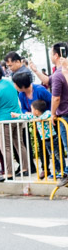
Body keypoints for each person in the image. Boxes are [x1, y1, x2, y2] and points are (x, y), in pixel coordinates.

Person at [0, 65, 29, 179]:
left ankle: (9, 172)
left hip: (4, 121)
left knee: (5, 147)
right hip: (17, 118)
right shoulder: (9, 82)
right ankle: (25, 167)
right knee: (19, 143)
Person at [11, 100, 63, 179]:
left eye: (32, 109)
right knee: (52, 156)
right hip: (46, 140)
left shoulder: (46, 113)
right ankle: (57, 171)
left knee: (57, 155)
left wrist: (40, 118)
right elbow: (26, 116)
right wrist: (16, 115)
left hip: (53, 138)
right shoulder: (35, 116)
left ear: (36, 111)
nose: (31, 111)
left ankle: (62, 171)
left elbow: (48, 114)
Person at [49, 42, 68, 174]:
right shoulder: (58, 74)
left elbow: (56, 98)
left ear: (56, 55)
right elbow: (47, 81)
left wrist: (52, 114)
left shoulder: (58, 75)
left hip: (65, 115)